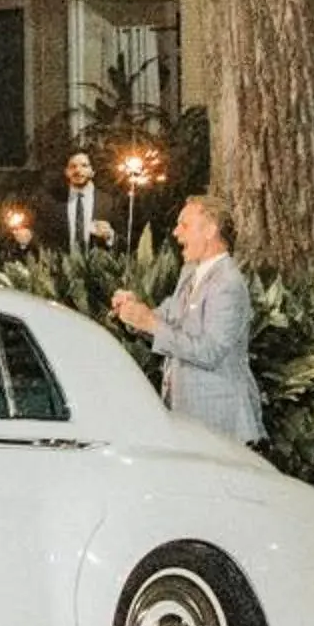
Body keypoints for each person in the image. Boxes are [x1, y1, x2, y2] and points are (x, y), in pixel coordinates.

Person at [111, 194, 263, 444]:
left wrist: (150, 323)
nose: (175, 232)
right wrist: (134, 311)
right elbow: (168, 317)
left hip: (218, 421)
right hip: (188, 416)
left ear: (210, 230)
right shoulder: (190, 272)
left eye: (184, 225)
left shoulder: (228, 283)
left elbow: (209, 350)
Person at [50, 150, 112, 254]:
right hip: (63, 266)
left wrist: (109, 236)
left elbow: (126, 239)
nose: (78, 170)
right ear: (66, 172)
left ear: (93, 171)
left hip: (98, 267)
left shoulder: (109, 201)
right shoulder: (54, 201)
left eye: (84, 165)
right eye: (73, 166)